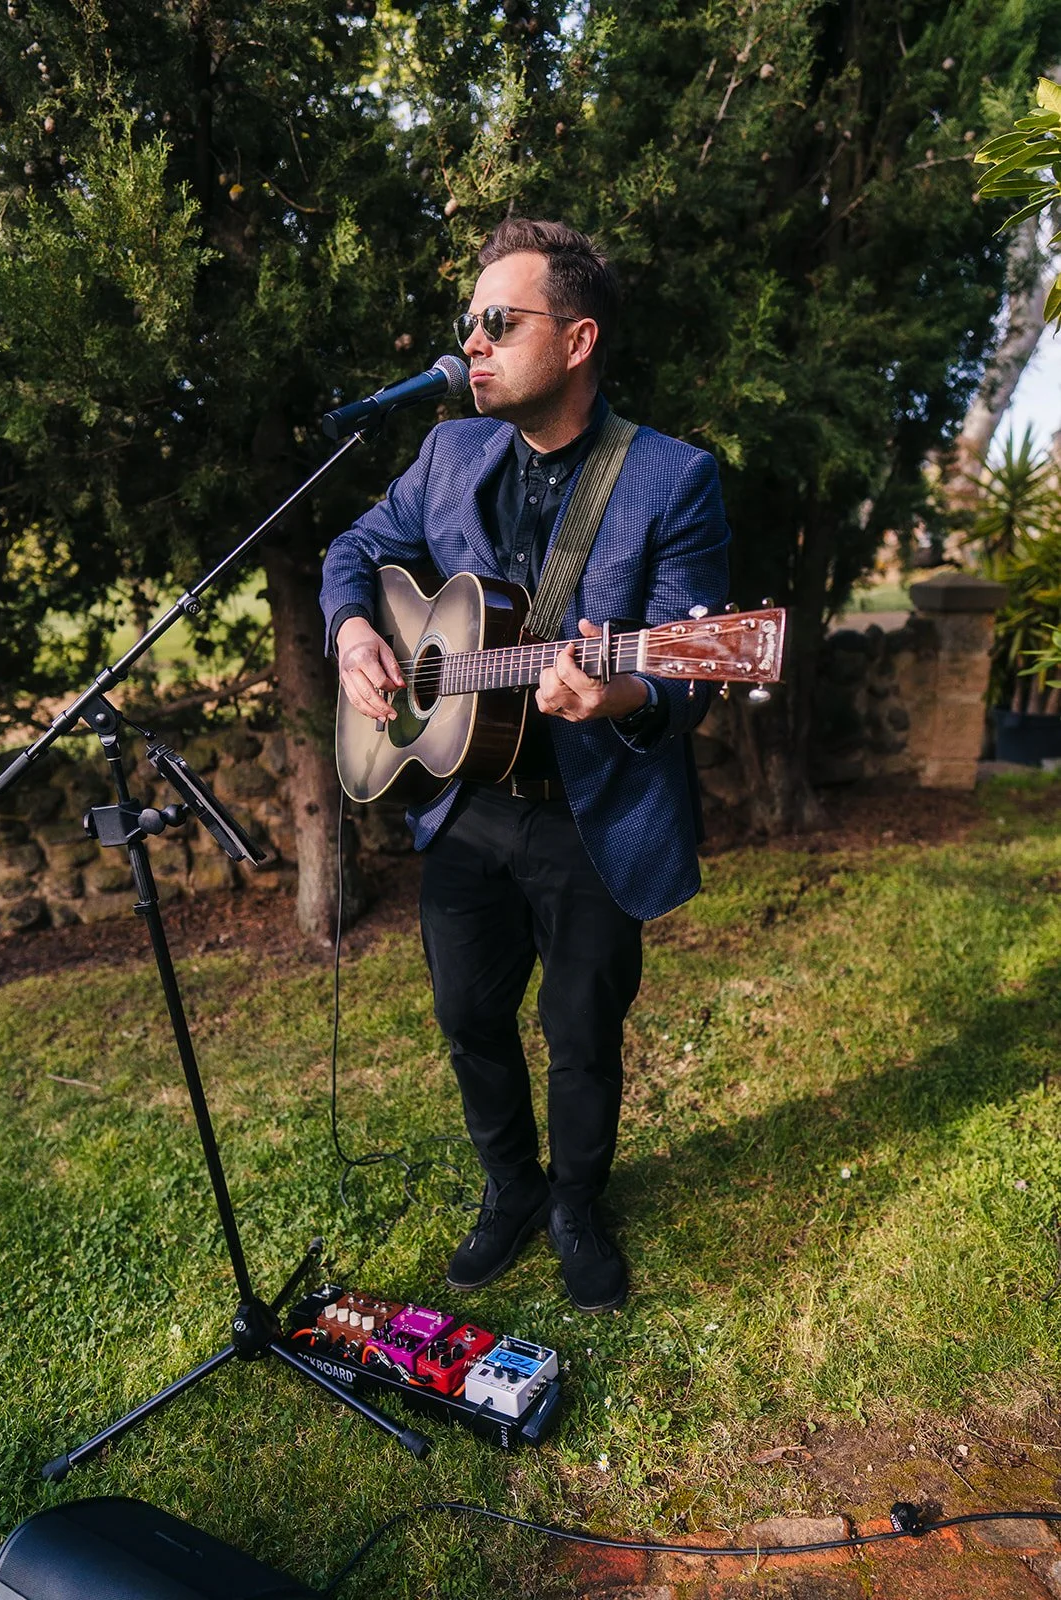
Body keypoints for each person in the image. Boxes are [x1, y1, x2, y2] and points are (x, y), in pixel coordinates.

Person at [320, 218, 729, 1312]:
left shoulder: (670, 480)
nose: (473, 345)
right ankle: (509, 1187)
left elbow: (686, 666)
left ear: (579, 338)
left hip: (589, 812)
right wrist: (356, 631)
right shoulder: (449, 451)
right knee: (466, 1015)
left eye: (499, 323)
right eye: (469, 325)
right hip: (466, 803)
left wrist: (624, 689)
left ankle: (575, 1203)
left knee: (581, 1033)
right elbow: (353, 549)